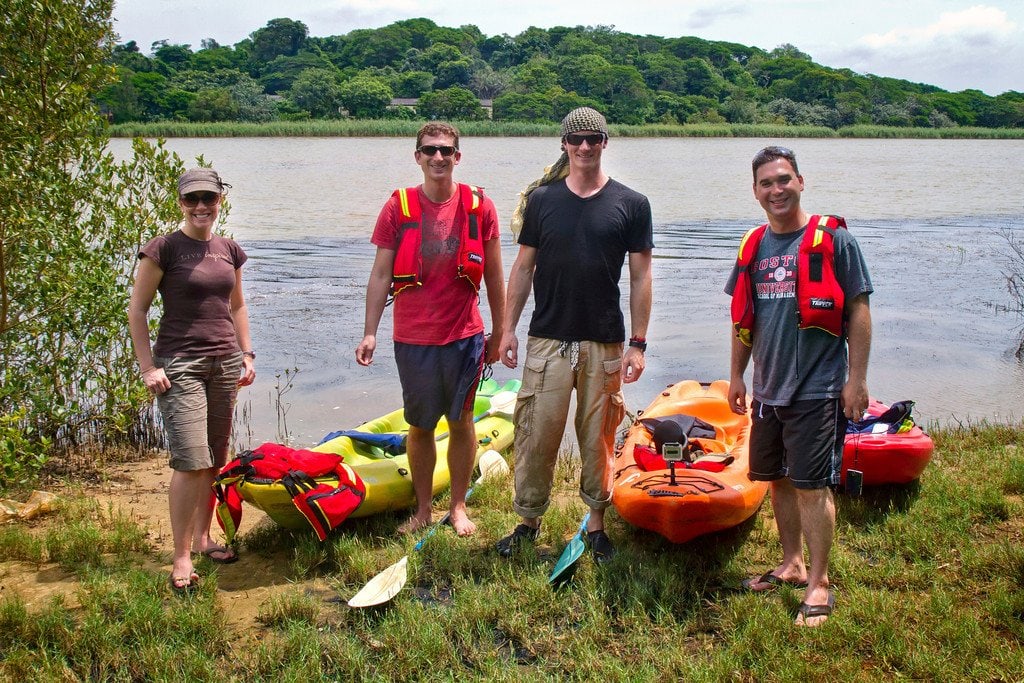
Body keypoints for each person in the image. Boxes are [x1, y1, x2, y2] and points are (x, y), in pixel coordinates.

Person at [496, 107, 653, 564]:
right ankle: (528, 521)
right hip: (547, 339)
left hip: (604, 341)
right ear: (564, 144)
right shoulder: (542, 201)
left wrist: (639, 343)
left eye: (594, 139)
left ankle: (597, 526)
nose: (585, 147)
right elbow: (524, 267)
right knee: (535, 433)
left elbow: (642, 277)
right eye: (576, 139)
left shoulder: (632, 203)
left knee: (598, 437)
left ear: (606, 142)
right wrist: (507, 329)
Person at [726, 146, 872, 627]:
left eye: (783, 179)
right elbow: (742, 320)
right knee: (779, 482)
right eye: (766, 183)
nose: (776, 190)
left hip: (818, 387)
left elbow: (858, 312)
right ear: (755, 192)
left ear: (801, 182)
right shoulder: (752, 246)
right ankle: (791, 564)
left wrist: (857, 380)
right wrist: (736, 376)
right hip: (768, 390)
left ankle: (820, 583)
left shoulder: (834, 242)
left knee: (812, 486)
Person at [356, 121, 505, 537]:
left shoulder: (480, 207)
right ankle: (423, 509)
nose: (438, 157)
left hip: (465, 336)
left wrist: (501, 331)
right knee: (420, 425)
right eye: (429, 150)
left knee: (461, 420)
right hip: (413, 338)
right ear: (417, 157)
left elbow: (495, 275)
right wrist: (370, 332)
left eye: (446, 150)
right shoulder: (397, 208)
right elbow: (381, 273)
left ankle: (457, 507)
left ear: (457, 157)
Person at [128, 167, 256, 594]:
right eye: (192, 199)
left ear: (220, 199)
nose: (201, 206)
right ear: (181, 202)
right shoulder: (163, 249)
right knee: (191, 460)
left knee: (215, 457)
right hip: (180, 364)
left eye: (209, 198)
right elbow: (137, 310)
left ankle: (203, 539)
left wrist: (247, 353)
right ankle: (181, 555)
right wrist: (149, 367)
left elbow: (236, 306)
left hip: (224, 362)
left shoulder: (229, 250)